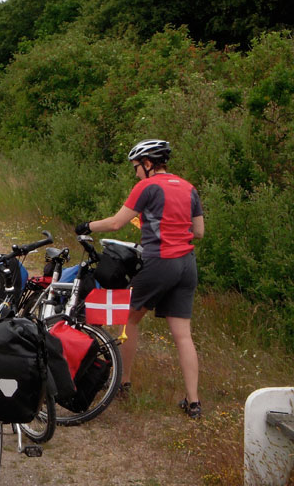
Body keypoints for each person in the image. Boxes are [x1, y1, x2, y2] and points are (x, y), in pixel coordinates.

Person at [74, 139, 205, 418]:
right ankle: (193, 402)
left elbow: (116, 223)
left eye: (136, 167)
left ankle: (123, 383)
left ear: (147, 164)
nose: (135, 173)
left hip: (161, 261)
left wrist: (86, 226)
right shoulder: (189, 188)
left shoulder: (147, 186)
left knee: (128, 318)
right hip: (187, 265)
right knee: (183, 335)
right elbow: (199, 231)